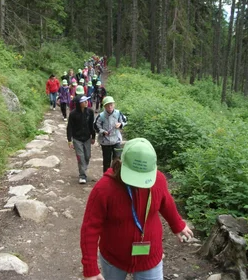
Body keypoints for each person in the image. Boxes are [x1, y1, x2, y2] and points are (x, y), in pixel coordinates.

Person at [80, 137, 194, 280]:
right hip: (113, 257)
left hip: (150, 258)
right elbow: (89, 228)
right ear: (121, 162)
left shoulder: (159, 180)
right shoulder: (104, 189)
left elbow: (167, 203)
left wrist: (177, 224)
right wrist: (90, 267)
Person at [67, 95, 96, 184]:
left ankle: (83, 168)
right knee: (80, 157)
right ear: (79, 104)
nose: (86, 102)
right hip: (77, 139)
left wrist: (93, 137)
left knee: (87, 156)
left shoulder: (90, 112)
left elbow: (92, 126)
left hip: (87, 138)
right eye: (84, 101)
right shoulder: (73, 114)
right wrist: (69, 140)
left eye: (87, 101)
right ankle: (82, 175)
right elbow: (69, 127)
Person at [94, 96, 126, 172]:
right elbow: (95, 126)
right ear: (104, 106)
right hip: (105, 141)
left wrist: (120, 124)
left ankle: (116, 175)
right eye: (107, 105)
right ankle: (106, 177)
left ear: (114, 105)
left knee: (117, 159)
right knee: (107, 160)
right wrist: (103, 132)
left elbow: (125, 120)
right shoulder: (101, 116)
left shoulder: (118, 113)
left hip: (116, 140)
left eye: (111, 105)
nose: (110, 107)